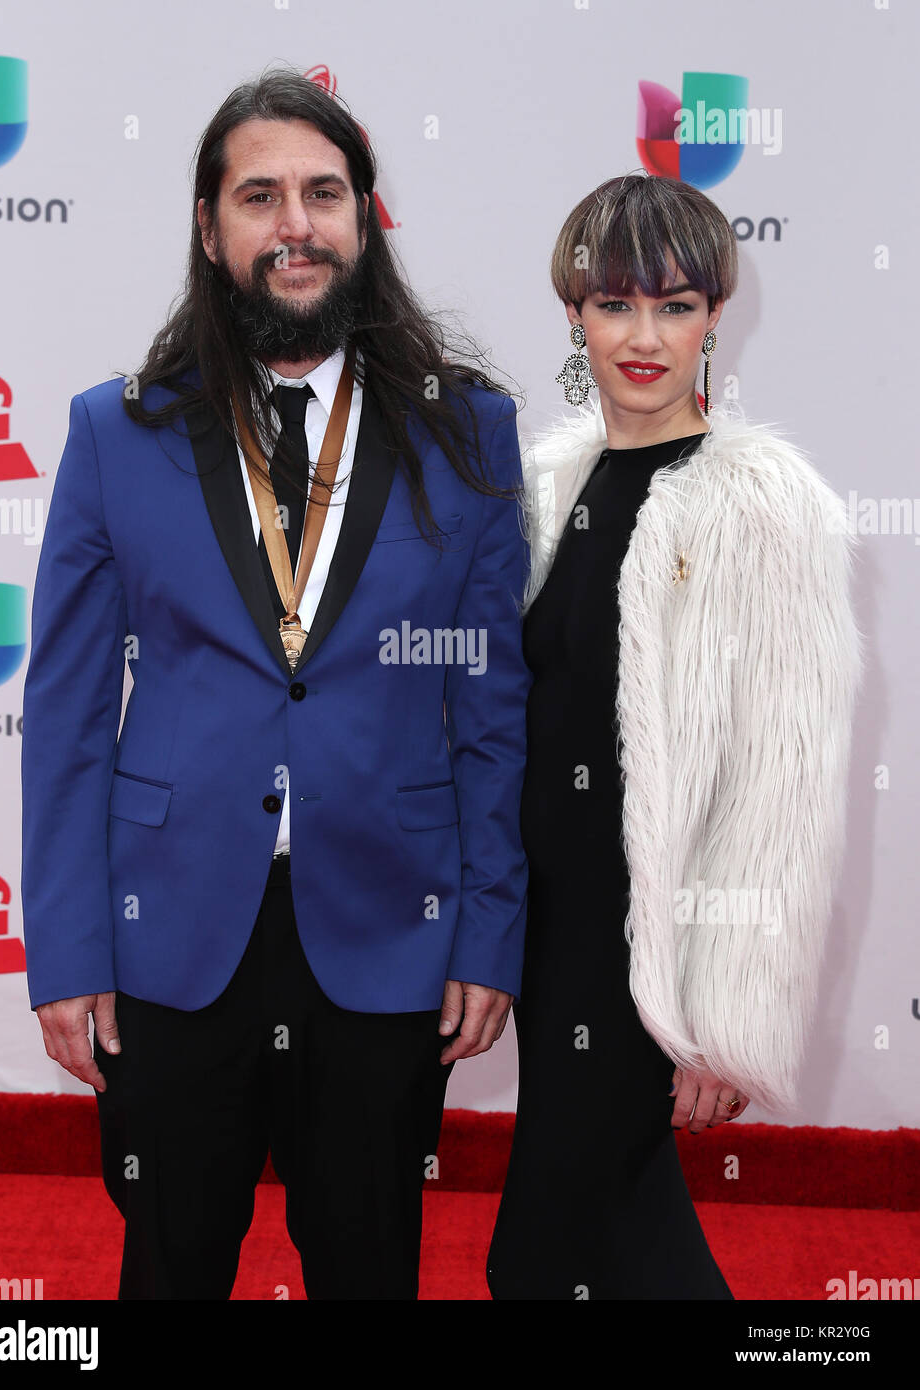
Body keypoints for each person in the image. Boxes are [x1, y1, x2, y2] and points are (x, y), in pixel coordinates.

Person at [20, 69, 530, 1301]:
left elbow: (493, 711)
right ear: (210, 227)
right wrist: (69, 949)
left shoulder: (464, 431)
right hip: (171, 936)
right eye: (260, 195)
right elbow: (70, 719)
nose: (294, 223)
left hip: (388, 932)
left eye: (323, 192)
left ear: (364, 219)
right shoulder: (115, 432)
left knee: (368, 1268)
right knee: (172, 1264)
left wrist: (488, 928)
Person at [487, 173, 861, 1300]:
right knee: (618, 1231)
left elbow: (784, 778)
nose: (643, 336)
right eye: (613, 305)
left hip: (656, 955)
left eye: (676, 305)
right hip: (550, 938)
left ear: (714, 319)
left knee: (544, 1252)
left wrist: (721, 1013)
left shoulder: (765, 504)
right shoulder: (547, 487)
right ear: (574, 317)